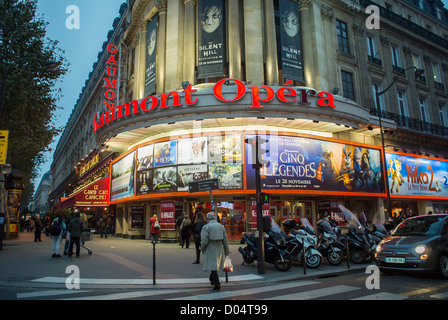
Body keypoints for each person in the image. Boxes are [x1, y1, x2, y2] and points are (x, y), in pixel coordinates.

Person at [200, 212, 230, 290]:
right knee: (215, 265)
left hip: (210, 246)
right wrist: (226, 251)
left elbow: (204, 240)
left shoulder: (206, 227)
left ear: (208, 218)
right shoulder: (221, 226)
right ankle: (213, 280)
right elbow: (225, 240)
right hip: (219, 246)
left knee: (213, 265)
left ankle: (216, 283)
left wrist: (202, 248)